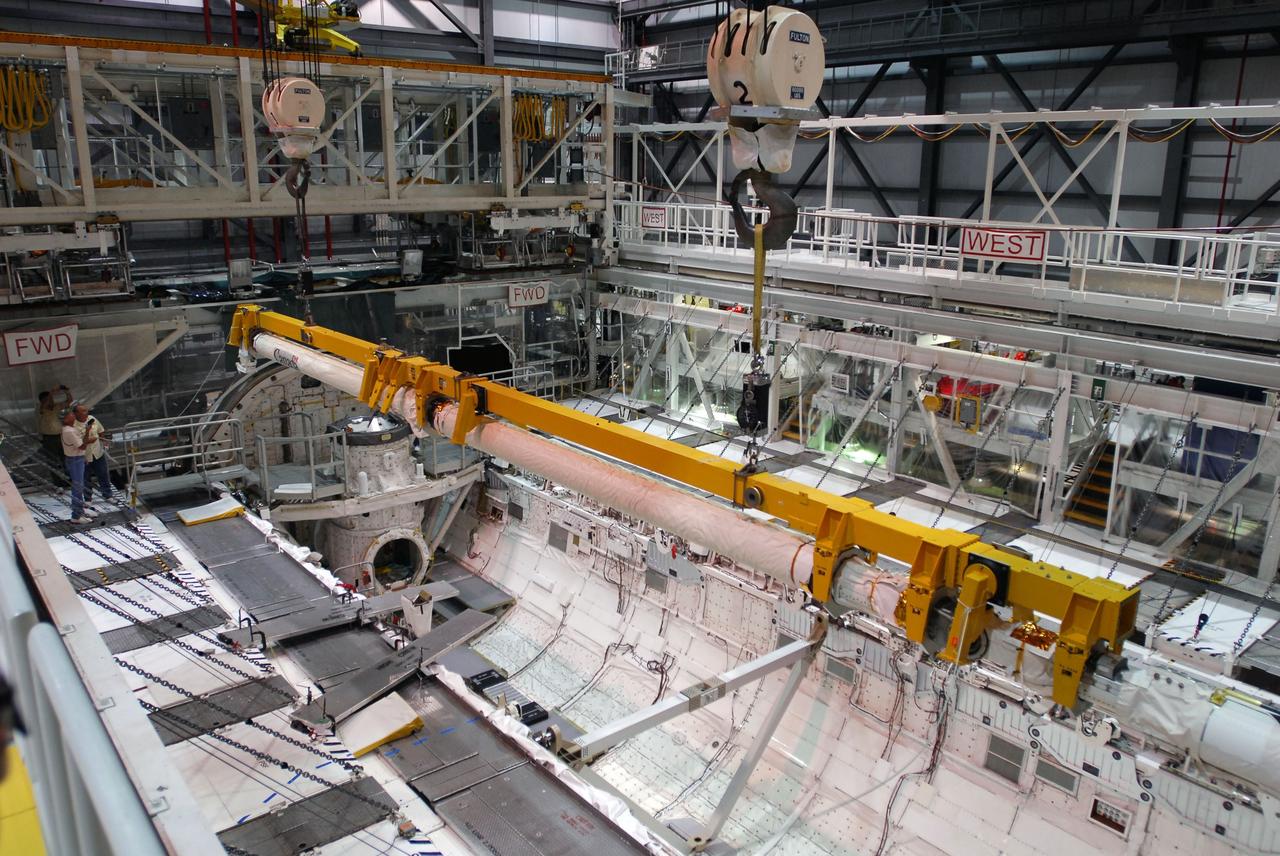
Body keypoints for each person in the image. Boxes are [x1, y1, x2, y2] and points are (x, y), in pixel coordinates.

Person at [73, 402, 113, 505]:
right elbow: (77, 443)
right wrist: (87, 438)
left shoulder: (92, 419)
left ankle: (107, 495)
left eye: (86, 410)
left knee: (103, 474)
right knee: (85, 478)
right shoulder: (73, 426)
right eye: (82, 411)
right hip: (84, 456)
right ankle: (88, 499)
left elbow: (100, 431)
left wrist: (103, 442)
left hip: (97, 453)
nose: (85, 413)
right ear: (76, 413)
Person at [60, 410, 90, 524]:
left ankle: (80, 511)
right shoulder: (69, 431)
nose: (74, 415)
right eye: (71, 415)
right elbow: (82, 446)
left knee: (79, 487)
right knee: (77, 488)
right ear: (66, 419)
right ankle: (76, 516)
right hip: (75, 460)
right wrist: (87, 432)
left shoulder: (69, 429)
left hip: (76, 458)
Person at [37, 384, 71, 462]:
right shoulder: (40, 409)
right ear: (42, 401)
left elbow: (69, 402)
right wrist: (52, 392)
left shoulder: (56, 407)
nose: (50, 400)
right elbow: (44, 406)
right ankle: (55, 474)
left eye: (51, 399)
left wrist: (67, 392)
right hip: (49, 438)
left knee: (65, 456)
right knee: (52, 459)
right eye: (47, 399)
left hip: (60, 435)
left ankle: (67, 473)